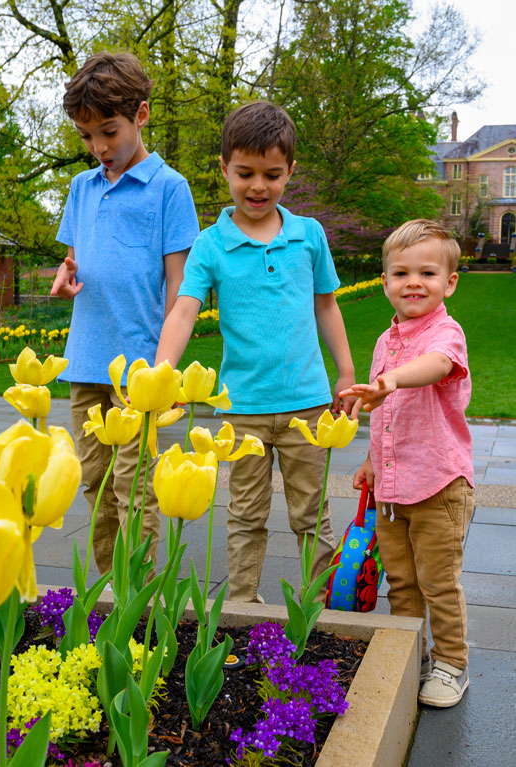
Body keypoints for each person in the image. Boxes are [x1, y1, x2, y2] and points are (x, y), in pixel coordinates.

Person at [155, 100, 355, 603]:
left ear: (290, 171)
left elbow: (326, 306)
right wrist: (160, 377)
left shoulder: (309, 236)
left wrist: (346, 371)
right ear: (225, 169)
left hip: (308, 405)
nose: (258, 187)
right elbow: (182, 312)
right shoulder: (210, 245)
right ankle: (242, 605)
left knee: (313, 516)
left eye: (271, 174)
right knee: (245, 515)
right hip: (239, 409)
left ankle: (318, 609)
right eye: (245, 173)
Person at [51, 52, 201, 575]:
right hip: (86, 361)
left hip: (138, 368)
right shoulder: (82, 187)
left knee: (134, 487)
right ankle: (110, 594)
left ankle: (140, 597)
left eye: (107, 132)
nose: (98, 148)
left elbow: (181, 286)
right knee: (95, 483)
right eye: (86, 136)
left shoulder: (169, 189)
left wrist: (164, 368)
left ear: (140, 114)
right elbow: (74, 260)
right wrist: (64, 279)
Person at [340, 219, 474, 708]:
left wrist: (391, 380)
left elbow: (437, 366)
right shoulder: (384, 340)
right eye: (400, 273)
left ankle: (451, 663)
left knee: (438, 582)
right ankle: (408, 650)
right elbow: (386, 413)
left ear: (449, 283)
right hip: (393, 491)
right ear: (385, 283)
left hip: (439, 485)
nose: (412, 282)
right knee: (401, 579)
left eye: (427, 273)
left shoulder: (446, 332)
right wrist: (373, 460)